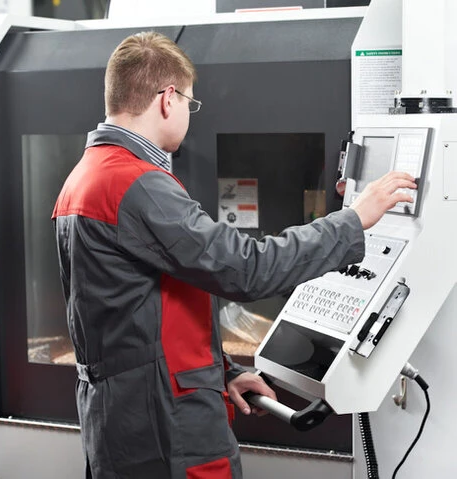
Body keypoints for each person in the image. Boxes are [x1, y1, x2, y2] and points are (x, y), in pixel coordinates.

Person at [52, 32, 417, 479]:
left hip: (123, 419)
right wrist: (353, 220)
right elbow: (246, 268)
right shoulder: (136, 183)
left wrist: (221, 372)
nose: (188, 115)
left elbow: (136, 314)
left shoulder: (85, 177)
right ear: (168, 99)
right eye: (190, 103)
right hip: (166, 426)